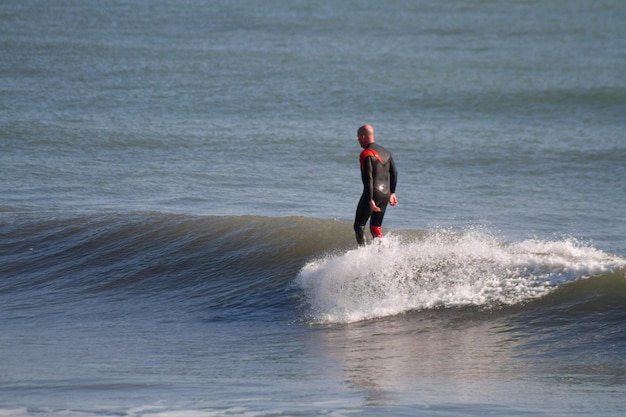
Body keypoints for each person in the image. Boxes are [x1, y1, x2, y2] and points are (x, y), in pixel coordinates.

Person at [353, 124, 398, 245]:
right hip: (385, 193)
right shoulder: (387, 152)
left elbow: (368, 178)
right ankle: (382, 253)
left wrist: (370, 199)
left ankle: (362, 255)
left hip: (373, 193)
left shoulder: (366, 154)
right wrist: (392, 192)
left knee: (359, 225)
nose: (358, 141)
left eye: (358, 138)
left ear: (362, 136)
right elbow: (394, 173)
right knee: (375, 228)